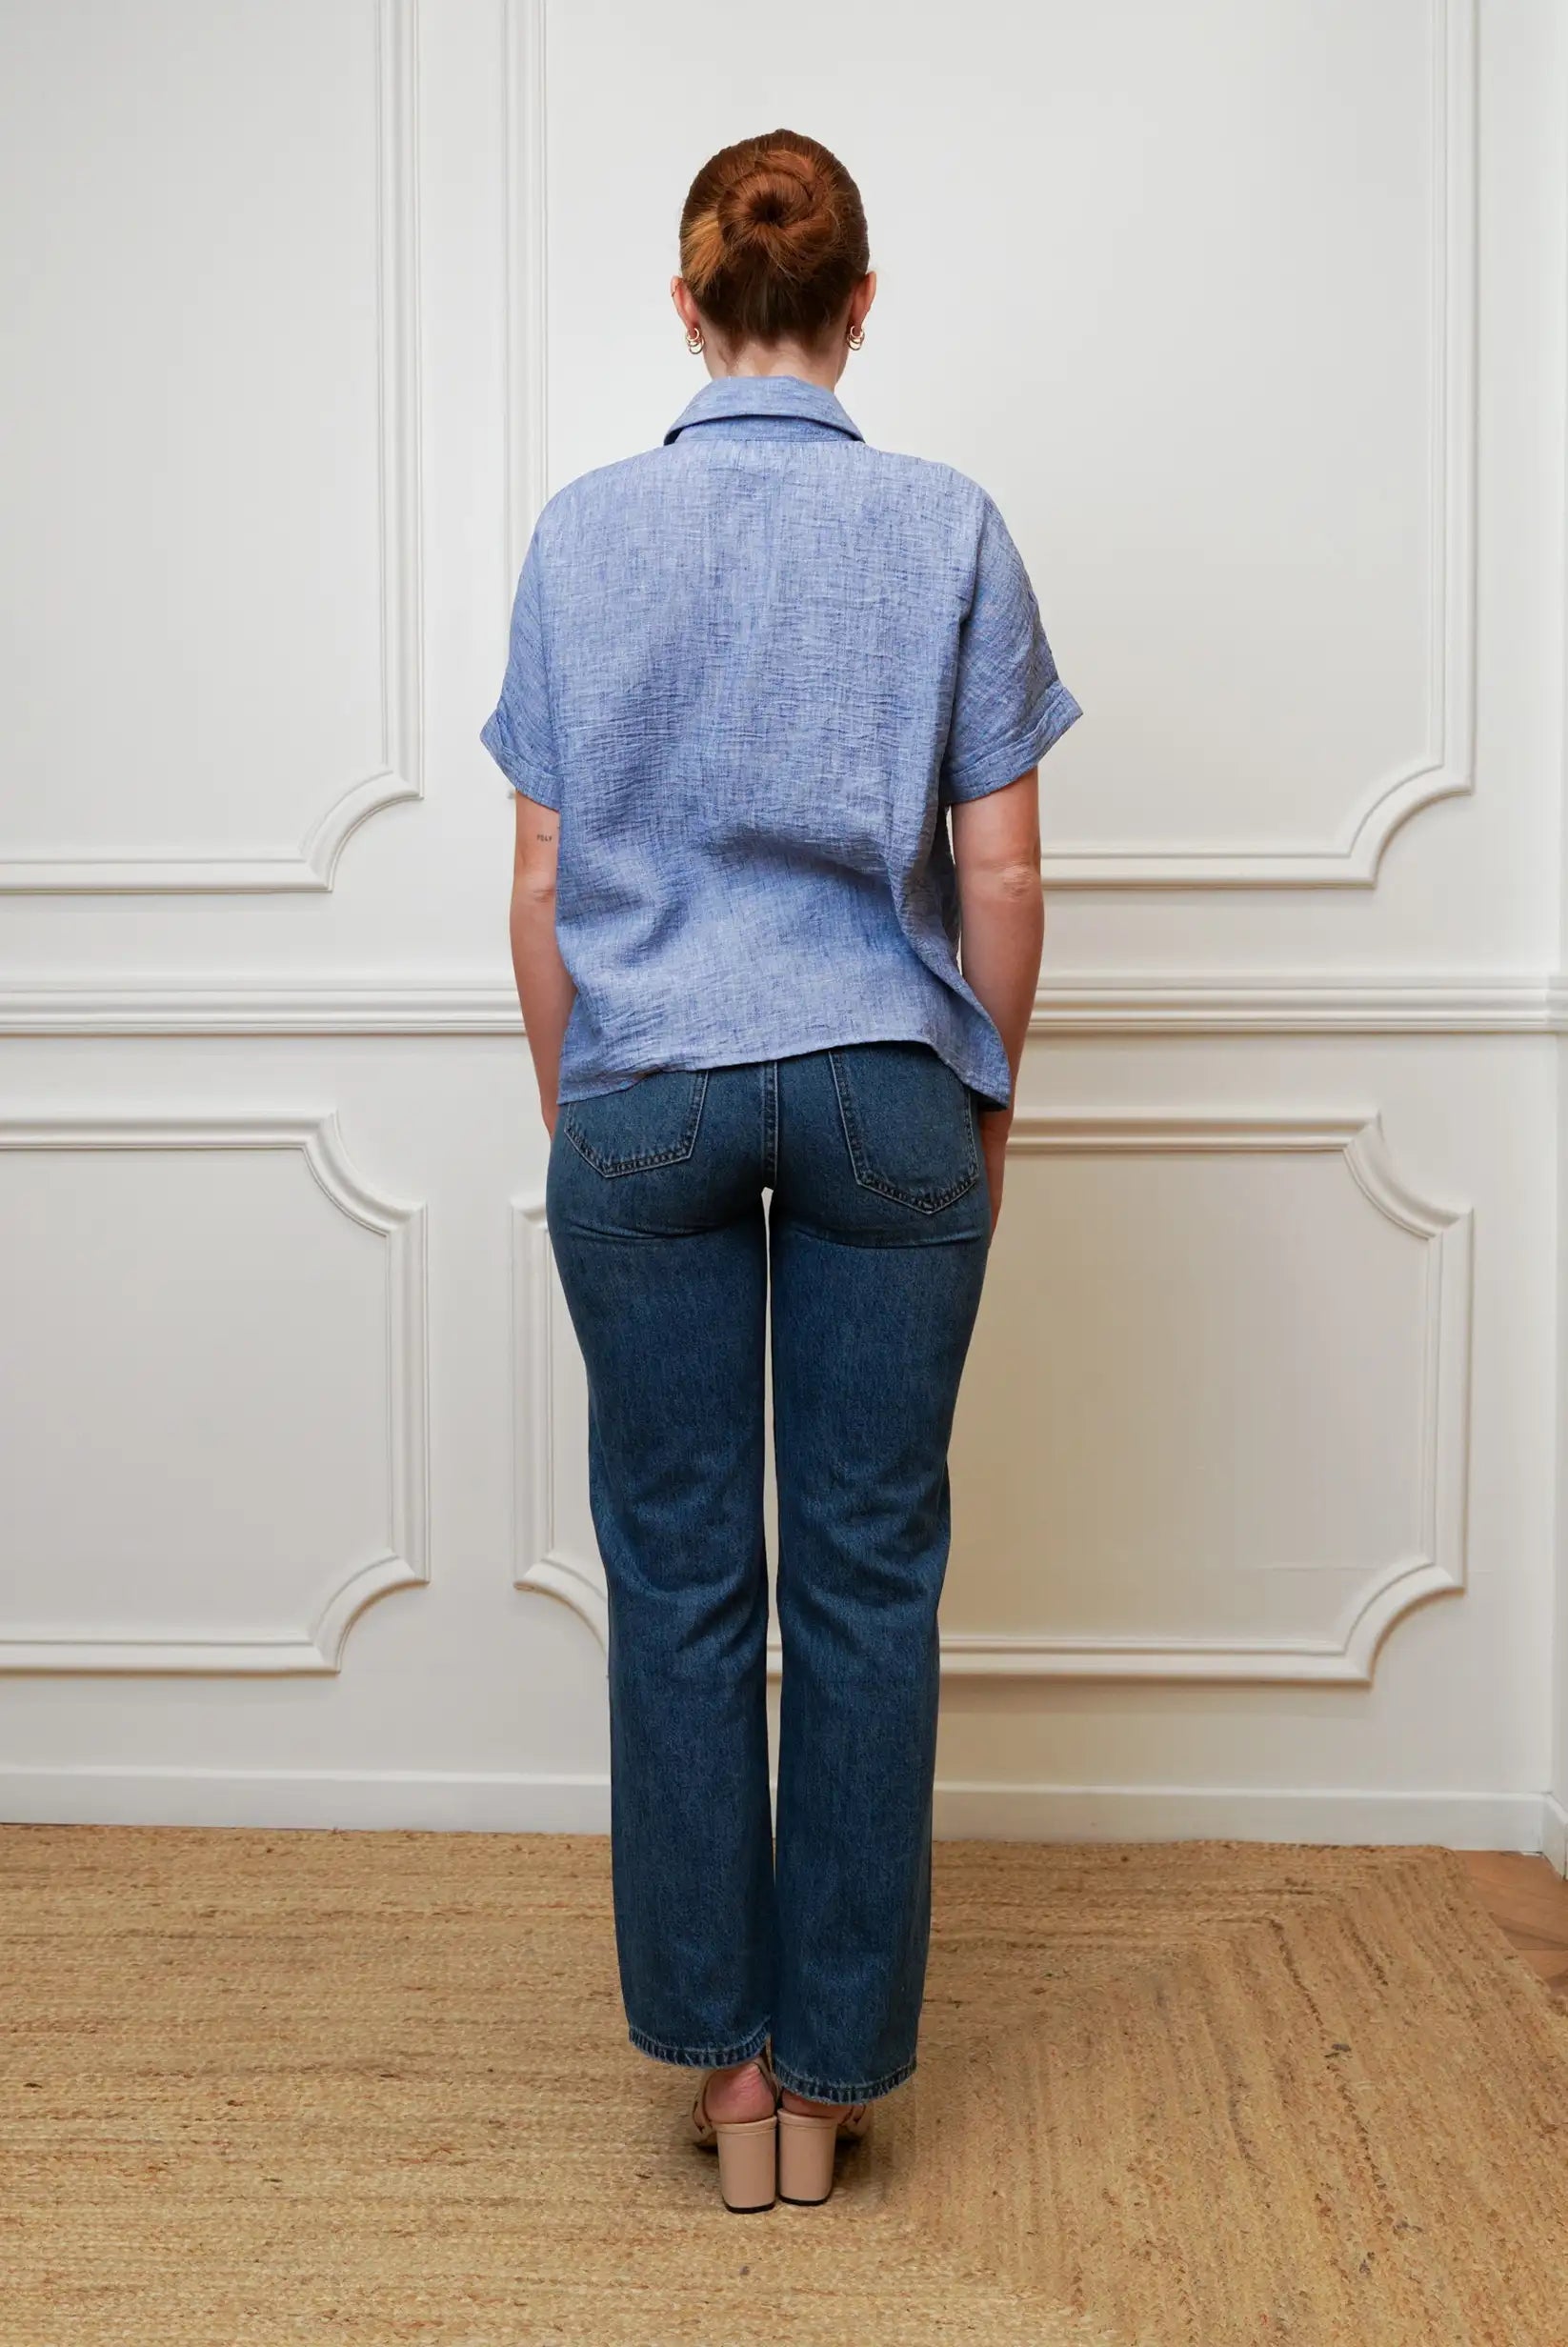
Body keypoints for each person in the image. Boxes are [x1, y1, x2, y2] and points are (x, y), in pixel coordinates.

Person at [480, 128, 1082, 2212]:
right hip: (880, 1079)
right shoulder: (946, 524)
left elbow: (539, 881)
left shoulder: (583, 531)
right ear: (857, 308)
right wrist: (983, 1097)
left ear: (686, 307)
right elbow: (1004, 876)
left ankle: (726, 2080)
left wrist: (579, 1097)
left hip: (641, 1081)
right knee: (863, 1575)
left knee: (675, 1575)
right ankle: (828, 2086)